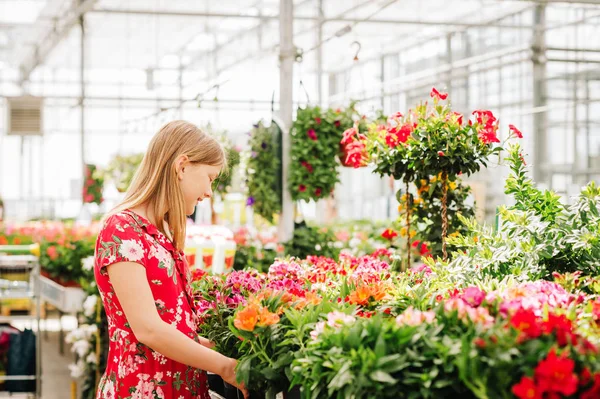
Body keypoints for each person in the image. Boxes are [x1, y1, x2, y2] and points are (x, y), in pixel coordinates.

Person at [93, 121, 248, 398]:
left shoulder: (160, 233)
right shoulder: (122, 230)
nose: (209, 192)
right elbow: (148, 330)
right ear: (182, 166)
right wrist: (226, 368)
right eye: (210, 178)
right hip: (143, 390)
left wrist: (224, 347)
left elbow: (173, 328)